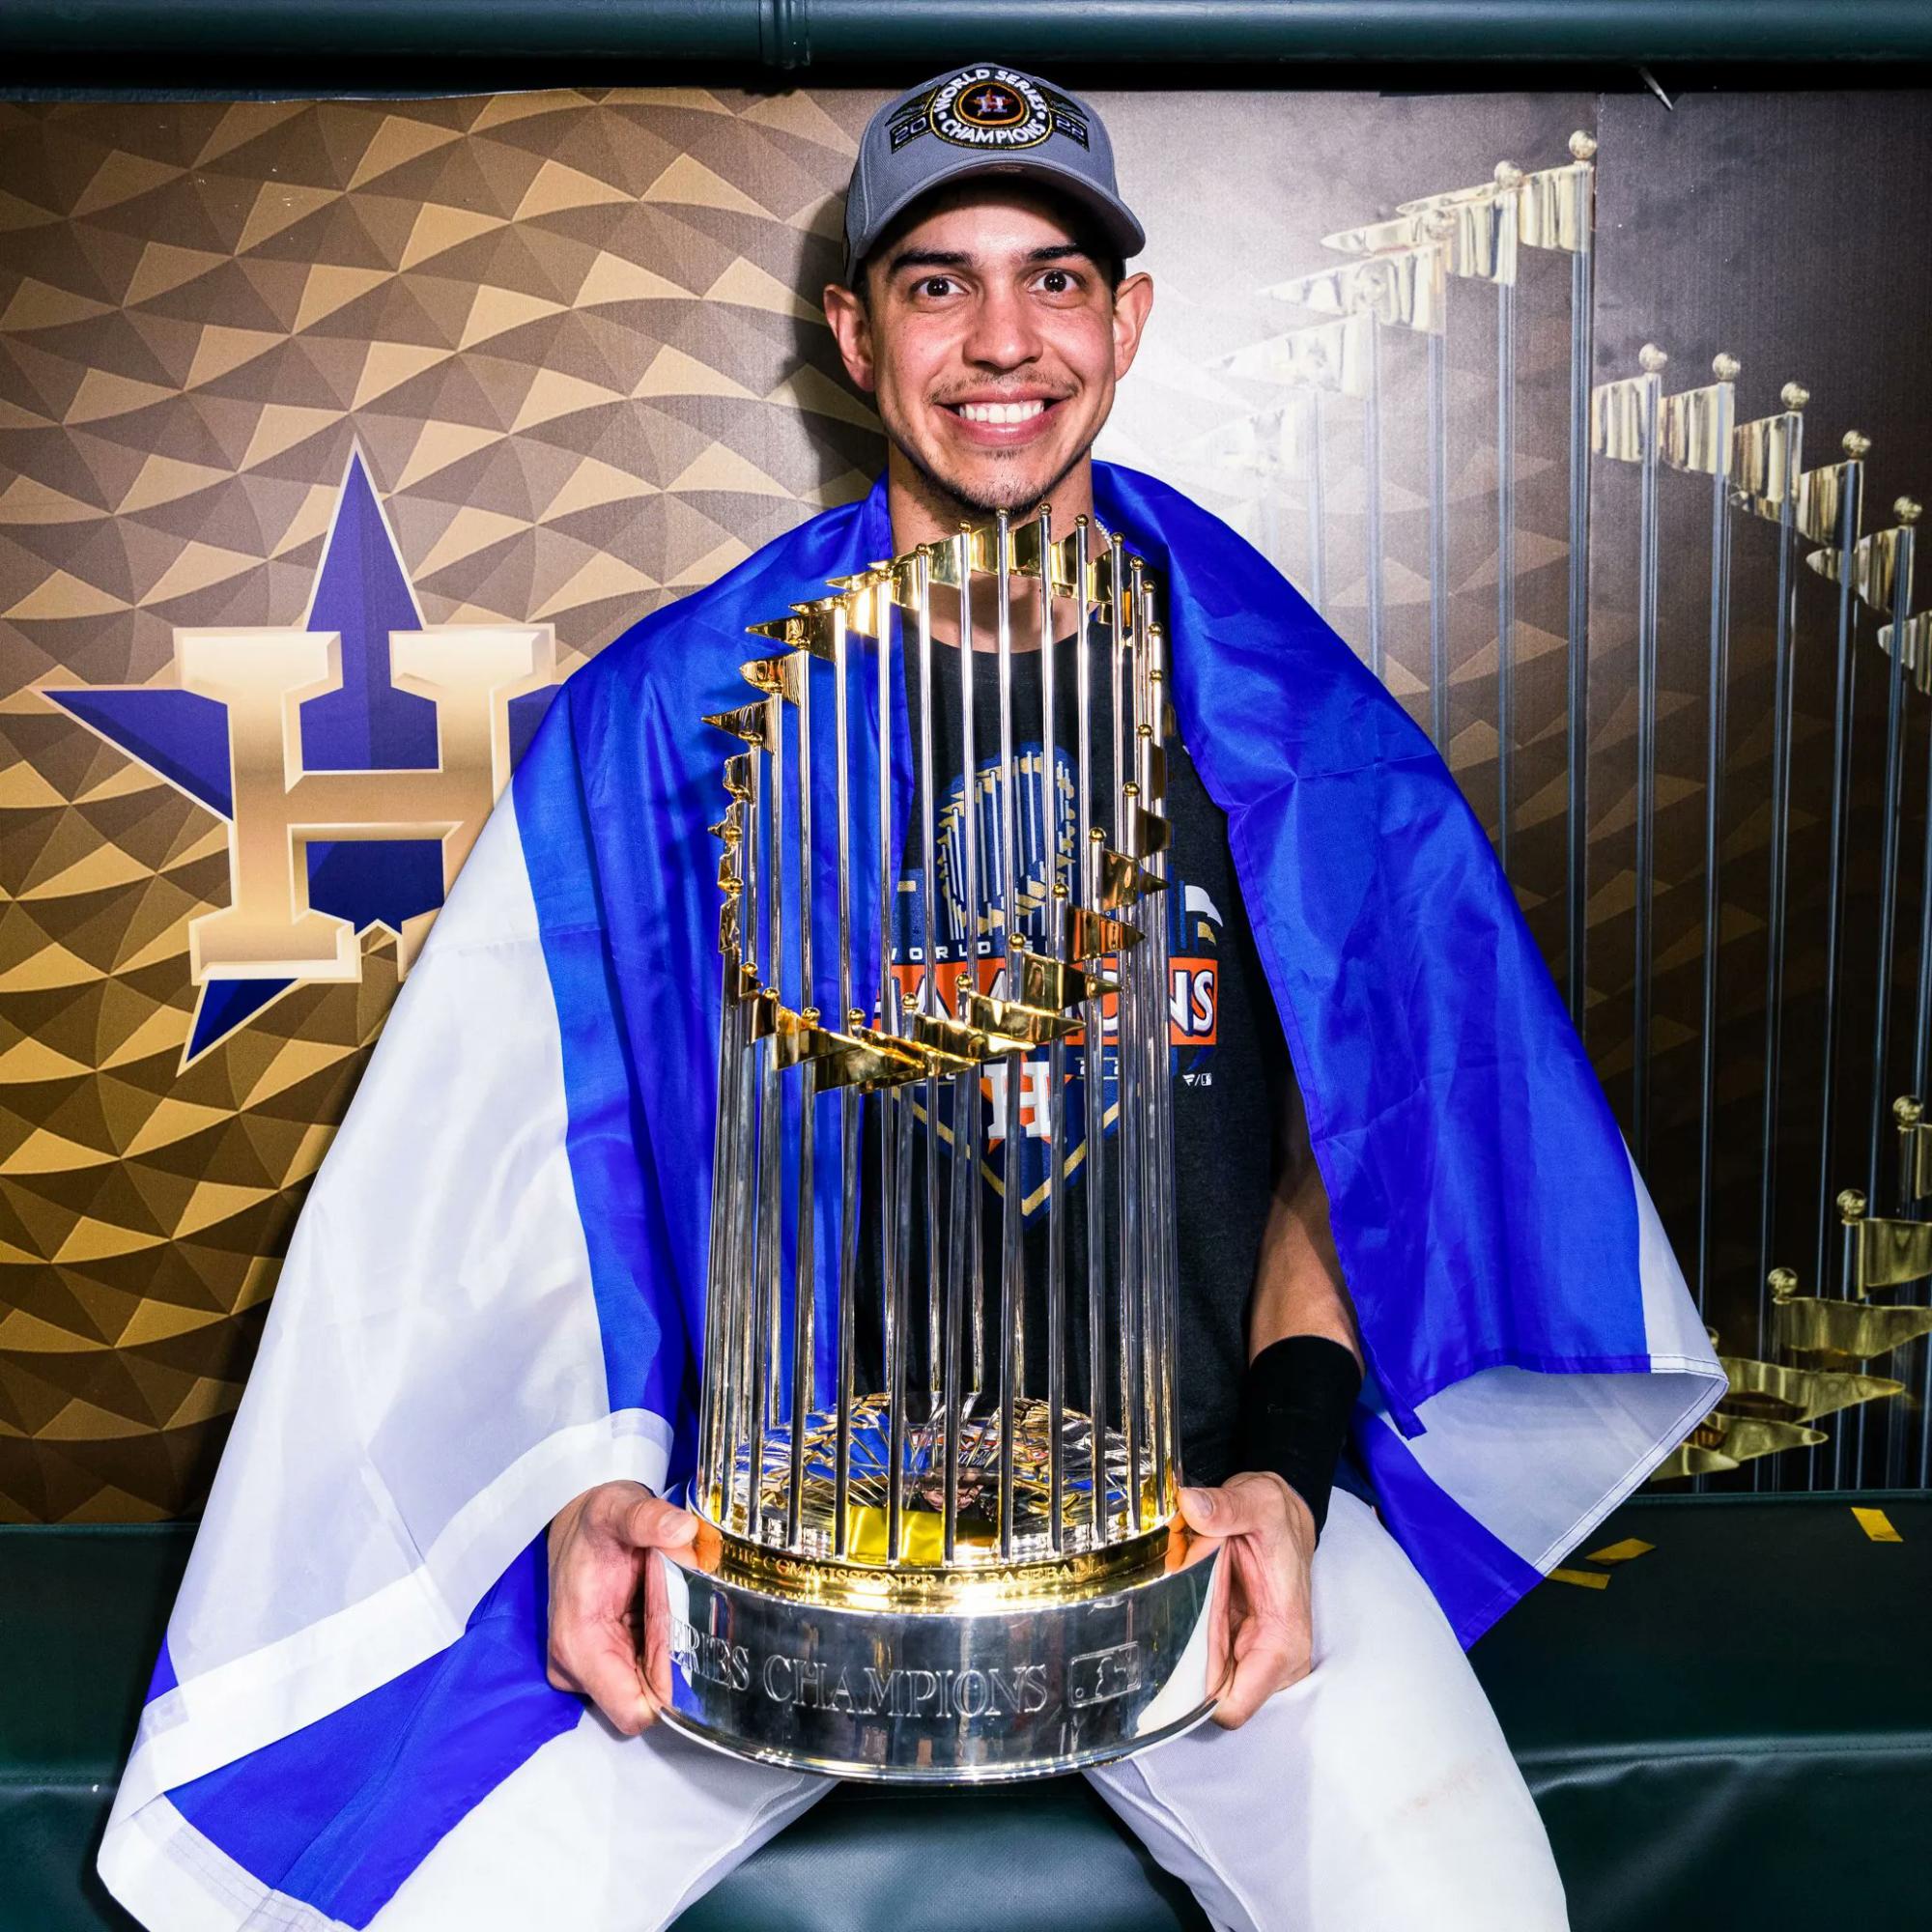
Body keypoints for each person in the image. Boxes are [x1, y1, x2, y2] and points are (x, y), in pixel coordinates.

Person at [99, 65, 1723, 1932]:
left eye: (1053, 278)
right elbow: (547, 1169)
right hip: (768, 1548)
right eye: (939, 284)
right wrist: (591, 1489)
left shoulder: (1276, 705)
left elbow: (1350, 1147)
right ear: (855, 333)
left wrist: (1282, 1475)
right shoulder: (679, 721)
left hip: (1179, 1530)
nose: (1002, 341)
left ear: (1126, 319)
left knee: (1460, 1901)